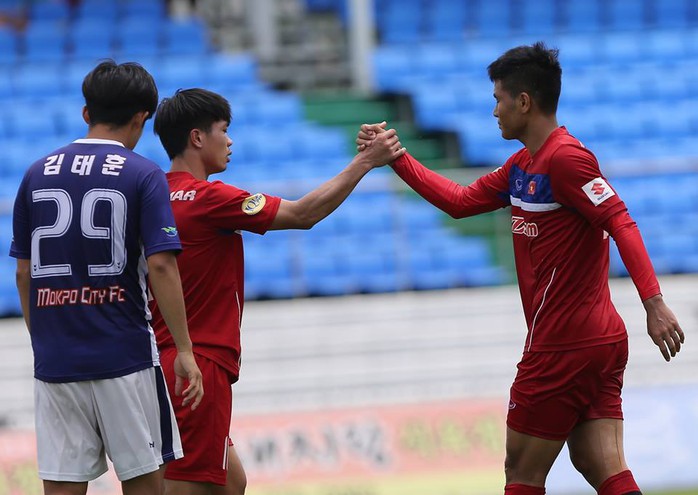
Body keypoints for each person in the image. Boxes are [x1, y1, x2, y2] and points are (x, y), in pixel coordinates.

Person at [356, 42, 684, 495]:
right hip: (599, 342)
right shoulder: (522, 165)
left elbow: (621, 221)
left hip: (562, 344)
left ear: (524, 102)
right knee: (598, 462)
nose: (494, 110)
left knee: (521, 473)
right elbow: (459, 201)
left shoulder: (565, 159)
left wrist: (654, 303)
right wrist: (398, 159)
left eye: (498, 99)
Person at [149, 87, 405, 495]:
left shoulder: (153, 194)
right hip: (198, 363)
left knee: (231, 483)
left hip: (158, 361)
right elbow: (303, 214)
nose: (229, 141)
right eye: (223, 130)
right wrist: (365, 162)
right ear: (197, 138)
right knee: (187, 486)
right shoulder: (209, 198)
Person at [10, 61, 204, 495]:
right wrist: (186, 350)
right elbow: (160, 264)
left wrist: (44, 336)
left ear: (85, 113)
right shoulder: (143, 173)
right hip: (125, 357)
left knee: (62, 486)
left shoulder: (35, 174)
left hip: (56, 361)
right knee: (145, 483)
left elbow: (24, 272)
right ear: (141, 118)